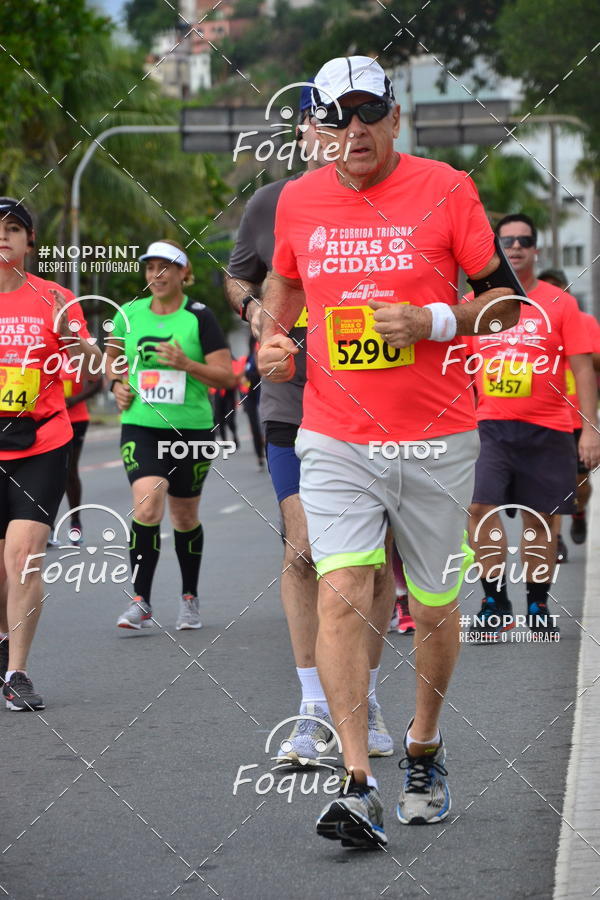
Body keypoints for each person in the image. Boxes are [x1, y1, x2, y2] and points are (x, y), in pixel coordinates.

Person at [257, 55, 528, 846]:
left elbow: (504, 307)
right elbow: (284, 289)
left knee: (436, 607)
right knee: (343, 588)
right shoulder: (298, 202)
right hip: (336, 435)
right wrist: (275, 339)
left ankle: (424, 747)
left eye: (369, 112)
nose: (355, 130)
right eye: (337, 118)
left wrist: (432, 322)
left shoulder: (447, 188)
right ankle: (356, 781)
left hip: (439, 436)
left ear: (395, 118)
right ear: (317, 130)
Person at [225, 80, 396, 765]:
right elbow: (239, 277)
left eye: (344, 121)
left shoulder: (392, 201)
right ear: (300, 136)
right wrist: (257, 315)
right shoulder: (273, 203)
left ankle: (368, 693)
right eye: (318, 124)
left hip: (376, 403)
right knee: (303, 551)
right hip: (293, 404)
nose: (331, 133)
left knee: (373, 564)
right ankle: (312, 707)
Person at [466, 215, 600, 642]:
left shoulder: (560, 304)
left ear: (535, 250)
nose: (516, 247)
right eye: (507, 241)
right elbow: (460, 372)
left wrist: (590, 430)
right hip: (489, 427)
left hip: (549, 427)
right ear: (496, 250)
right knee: (479, 510)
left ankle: (537, 603)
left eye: (524, 240)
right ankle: (494, 601)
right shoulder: (476, 305)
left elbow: (583, 367)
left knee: (539, 521)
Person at [0, 197, 101, 709]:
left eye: (13, 229)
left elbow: (89, 362)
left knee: (22, 556)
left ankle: (18, 671)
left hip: (41, 441)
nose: (3, 237)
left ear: (29, 241)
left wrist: (79, 345)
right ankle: (4, 638)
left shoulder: (57, 298)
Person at [105, 239, 235, 631]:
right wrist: (115, 384)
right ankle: (140, 600)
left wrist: (186, 363)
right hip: (141, 425)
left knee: (184, 515)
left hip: (191, 430)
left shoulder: (199, 317)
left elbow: (227, 375)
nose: (156, 275)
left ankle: (189, 598)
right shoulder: (128, 314)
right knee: (147, 505)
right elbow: (111, 358)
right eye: (150, 268)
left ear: (183, 273)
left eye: (166, 267)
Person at [539, 268, 600, 553]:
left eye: (558, 289)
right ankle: (555, 538)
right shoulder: (531, 322)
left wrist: (578, 348)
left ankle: (578, 512)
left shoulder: (584, 322)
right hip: (546, 417)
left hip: (576, 416)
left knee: (579, 483)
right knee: (549, 482)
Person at [46, 361, 102, 549]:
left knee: (69, 472)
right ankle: (47, 527)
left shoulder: (77, 355)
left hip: (76, 419)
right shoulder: (47, 355)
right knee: (46, 475)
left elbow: (97, 383)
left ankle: (75, 524)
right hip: (48, 419)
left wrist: (72, 400)